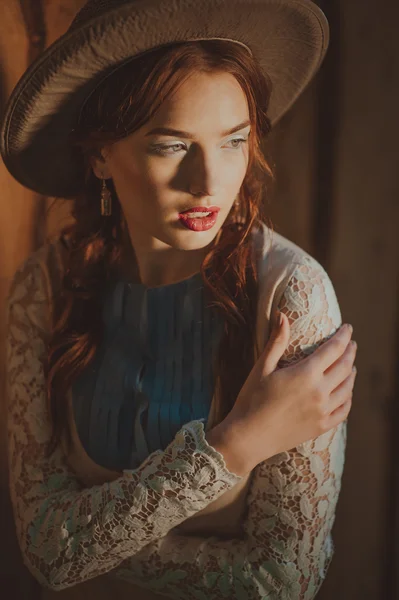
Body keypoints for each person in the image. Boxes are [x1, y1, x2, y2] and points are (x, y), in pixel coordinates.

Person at [1, 1, 357, 599]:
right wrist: (233, 446)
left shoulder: (293, 297)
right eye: (172, 146)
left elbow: (285, 578)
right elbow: (41, 548)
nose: (209, 182)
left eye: (233, 141)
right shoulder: (44, 288)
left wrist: (81, 539)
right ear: (99, 157)